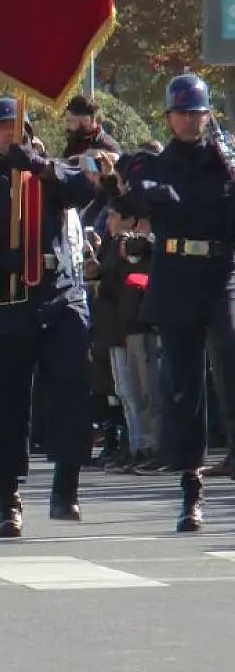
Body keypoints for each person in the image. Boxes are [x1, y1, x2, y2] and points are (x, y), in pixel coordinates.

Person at [0, 98, 97, 538]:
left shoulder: (49, 174)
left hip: (58, 295)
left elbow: (85, 188)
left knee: (71, 384)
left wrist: (42, 166)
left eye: (18, 128)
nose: (11, 135)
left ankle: (67, 484)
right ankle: (7, 499)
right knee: (6, 403)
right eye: (1, 129)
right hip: (7, 301)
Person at [108, 74, 233, 531]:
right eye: (181, 112)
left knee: (231, 360)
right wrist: (144, 194)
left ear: (207, 116)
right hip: (177, 276)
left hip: (222, 275)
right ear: (169, 118)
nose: (189, 120)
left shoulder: (224, 162)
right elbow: (128, 195)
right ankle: (191, 486)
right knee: (182, 386)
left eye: (196, 112)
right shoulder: (155, 164)